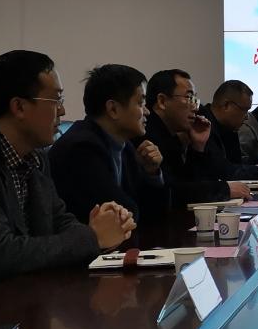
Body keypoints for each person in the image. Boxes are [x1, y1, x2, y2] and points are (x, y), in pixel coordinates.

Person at [0, 50, 135, 299]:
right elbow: (0, 254)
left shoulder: (35, 154)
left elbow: (58, 219)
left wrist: (105, 228)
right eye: (56, 100)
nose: (63, 111)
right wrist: (92, 238)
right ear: (19, 107)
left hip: (28, 300)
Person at [49, 64, 169, 229]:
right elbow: (122, 216)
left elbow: (155, 212)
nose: (147, 112)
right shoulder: (81, 149)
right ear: (113, 109)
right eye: (140, 102)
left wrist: (151, 172)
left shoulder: (125, 146)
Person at [139, 69, 250, 209]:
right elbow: (172, 193)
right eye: (189, 98)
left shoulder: (170, 135)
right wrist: (224, 190)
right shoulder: (147, 135)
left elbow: (190, 182)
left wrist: (198, 146)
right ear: (162, 101)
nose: (195, 108)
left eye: (195, 100)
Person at [198, 80, 258, 180]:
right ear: (226, 105)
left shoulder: (228, 128)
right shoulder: (203, 126)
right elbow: (222, 171)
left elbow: (235, 163)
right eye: (245, 110)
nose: (247, 117)